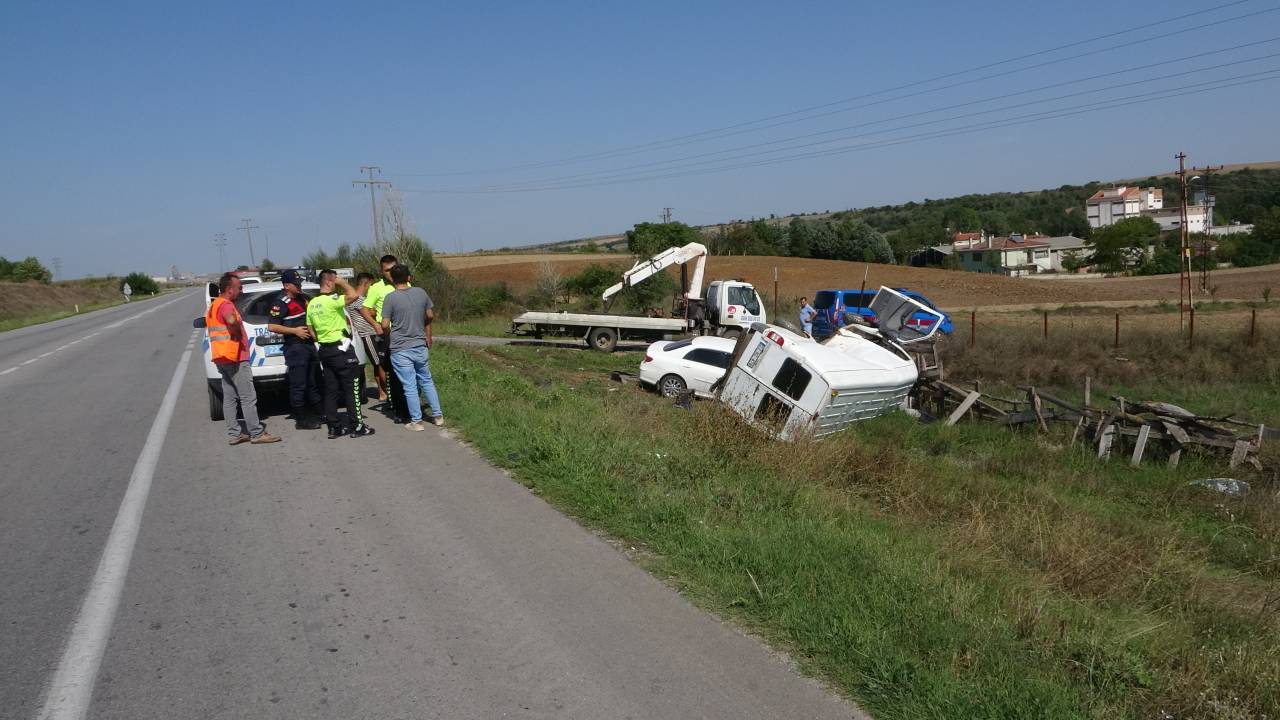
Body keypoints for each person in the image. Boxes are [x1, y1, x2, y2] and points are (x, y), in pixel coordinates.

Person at [205, 273, 281, 445]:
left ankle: (234, 433)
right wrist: (237, 331)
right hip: (235, 357)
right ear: (229, 289)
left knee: (230, 397)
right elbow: (231, 320)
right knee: (248, 396)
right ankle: (256, 433)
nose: (241, 290)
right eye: (239, 287)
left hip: (221, 356)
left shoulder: (214, 305)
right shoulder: (226, 305)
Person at [306, 269, 375, 439]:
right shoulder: (332, 299)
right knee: (351, 388)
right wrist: (343, 283)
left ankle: (334, 427)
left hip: (324, 350)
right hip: (341, 349)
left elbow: (310, 330)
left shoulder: (312, 304)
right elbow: (353, 296)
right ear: (330, 281)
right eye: (335, 279)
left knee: (331, 390)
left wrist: (324, 339)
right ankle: (357, 426)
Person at [381, 264, 443, 430]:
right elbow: (430, 315)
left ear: (392, 279)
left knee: (409, 385)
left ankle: (417, 421)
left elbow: (385, 323)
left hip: (400, 347)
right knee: (426, 380)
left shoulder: (390, 298)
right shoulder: (421, 292)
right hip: (419, 344)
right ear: (409, 277)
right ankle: (437, 415)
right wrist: (423, 325)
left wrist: (387, 331)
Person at [267, 269, 322, 430]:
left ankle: (320, 413)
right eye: (296, 284)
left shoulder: (302, 298)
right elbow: (272, 326)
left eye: (300, 283)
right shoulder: (280, 302)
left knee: (314, 382)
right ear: (286, 285)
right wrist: (295, 331)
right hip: (295, 347)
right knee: (299, 384)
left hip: (309, 345)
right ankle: (301, 419)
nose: (299, 286)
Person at [361, 254, 410, 422]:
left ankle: (410, 406)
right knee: (394, 375)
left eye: (393, 269)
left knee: (410, 373)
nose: (391, 273)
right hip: (389, 336)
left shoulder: (406, 283)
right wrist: (375, 325)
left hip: (407, 334)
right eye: (387, 270)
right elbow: (364, 309)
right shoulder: (376, 288)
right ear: (381, 271)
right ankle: (398, 409)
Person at [346, 272, 381, 388]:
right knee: (379, 363)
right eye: (371, 285)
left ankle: (382, 392)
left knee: (376, 363)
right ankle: (384, 391)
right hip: (367, 334)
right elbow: (371, 313)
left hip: (365, 334)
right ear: (366, 284)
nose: (371, 288)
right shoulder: (359, 300)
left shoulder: (353, 298)